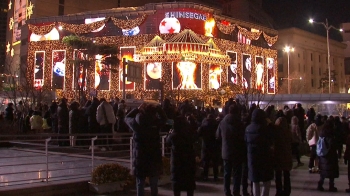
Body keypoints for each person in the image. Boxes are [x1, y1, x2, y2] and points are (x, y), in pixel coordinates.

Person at [124, 103, 167, 196]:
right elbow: (165, 119)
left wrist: (136, 109)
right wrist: (159, 109)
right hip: (153, 156)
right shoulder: (155, 122)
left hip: (140, 156)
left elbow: (126, 117)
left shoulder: (136, 123)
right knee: (154, 183)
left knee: (140, 183)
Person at [216, 105, 249, 196]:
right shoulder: (240, 123)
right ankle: (236, 191)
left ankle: (227, 191)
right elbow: (243, 137)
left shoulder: (222, 123)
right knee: (237, 174)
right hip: (237, 151)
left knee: (227, 173)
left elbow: (218, 136)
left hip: (226, 150)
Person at [245, 109, 274, 196]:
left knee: (255, 181)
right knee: (266, 181)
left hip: (252, 157)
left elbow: (245, 141)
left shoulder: (248, 129)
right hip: (265, 157)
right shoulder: (267, 129)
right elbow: (272, 139)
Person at [166, 116, 197, 196]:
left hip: (177, 163)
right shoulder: (189, 134)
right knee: (189, 184)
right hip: (189, 162)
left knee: (177, 185)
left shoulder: (174, 135)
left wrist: (169, 133)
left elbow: (168, 142)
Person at [317, 120, 339, 192]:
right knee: (331, 172)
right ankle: (331, 186)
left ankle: (320, 184)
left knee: (323, 171)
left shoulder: (322, 133)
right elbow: (333, 145)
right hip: (330, 156)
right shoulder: (331, 134)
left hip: (323, 155)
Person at [197, 114, 220, 181]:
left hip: (206, 145)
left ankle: (205, 175)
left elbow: (198, 134)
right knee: (215, 162)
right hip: (215, 145)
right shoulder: (216, 125)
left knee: (205, 162)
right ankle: (216, 176)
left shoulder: (203, 125)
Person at [274, 117, 293, 196]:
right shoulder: (288, 132)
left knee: (278, 174)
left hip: (278, 156)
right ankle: (287, 190)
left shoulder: (276, 133)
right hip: (286, 156)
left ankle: (279, 190)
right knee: (286, 174)